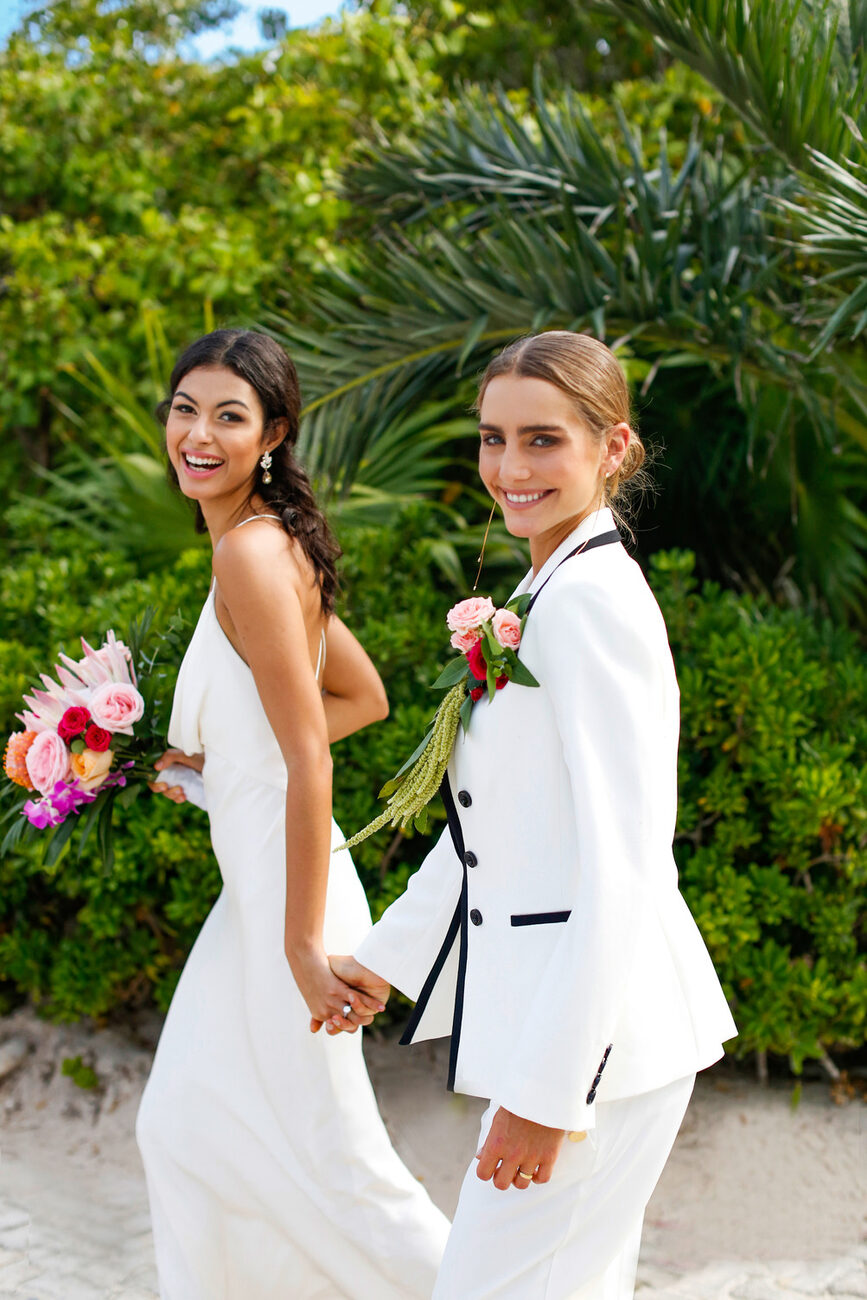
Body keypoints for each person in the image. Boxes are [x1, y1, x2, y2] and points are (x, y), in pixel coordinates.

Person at [331, 330, 738, 1298]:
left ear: (615, 448)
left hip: (597, 1059)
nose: (510, 468)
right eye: (492, 438)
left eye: (543, 440)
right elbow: (492, 835)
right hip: (572, 1041)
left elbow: (626, 871)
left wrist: (551, 1095)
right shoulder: (542, 586)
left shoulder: (591, 602)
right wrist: (383, 963)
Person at [136, 328, 449, 1300]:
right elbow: (361, 699)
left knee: (338, 1163)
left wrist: (303, 946)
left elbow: (311, 752)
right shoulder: (264, 542)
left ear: (273, 433)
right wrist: (213, 763)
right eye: (187, 408)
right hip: (260, 898)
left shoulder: (251, 556)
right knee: (184, 1124)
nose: (199, 432)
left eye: (230, 416)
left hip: (289, 906)